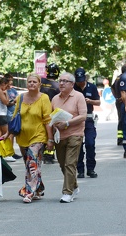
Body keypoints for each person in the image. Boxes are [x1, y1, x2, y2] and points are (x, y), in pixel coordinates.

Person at [2, 73, 54, 203]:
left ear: (39, 84)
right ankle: (38, 189)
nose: (31, 84)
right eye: (29, 82)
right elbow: (15, 117)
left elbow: (48, 119)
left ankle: (28, 192)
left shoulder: (44, 98)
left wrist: (50, 139)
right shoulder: (20, 98)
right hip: (23, 137)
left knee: (32, 162)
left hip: (39, 136)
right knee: (31, 165)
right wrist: (8, 134)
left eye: (34, 82)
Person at [51, 72, 87, 203]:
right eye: (60, 81)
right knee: (62, 164)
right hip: (59, 136)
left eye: (65, 81)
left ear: (72, 84)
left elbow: (83, 116)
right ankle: (74, 185)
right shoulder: (55, 99)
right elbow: (51, 116)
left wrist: (67, 122)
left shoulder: (79, 96)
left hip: (75, 134)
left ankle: (67, 193)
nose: (61, 83)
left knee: (69, 163)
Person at [74, 67, 101, 179]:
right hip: (76, 120)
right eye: (78, 80)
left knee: (90, 144)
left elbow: (99, 102)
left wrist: (90, 101)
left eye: (82, 79)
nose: (80, 82)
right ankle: (80, 170)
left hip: (89, 119)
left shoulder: (92, 87)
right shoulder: (73, 88)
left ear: (85, 77)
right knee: (78, 146)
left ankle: (91, 169)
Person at [40, 63, 60, 164]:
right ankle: (49, 155)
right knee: (51, 133)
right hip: (51, 113)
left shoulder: (40, 81)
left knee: (42, 132)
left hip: (39, 112)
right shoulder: (57, 86)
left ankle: (42, 152)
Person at [0, 77, 16, 161]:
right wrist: (8, 96)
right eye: (6, 86)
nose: (7, 88)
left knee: (0, 135)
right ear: (3, 84)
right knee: (7, 135)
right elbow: (6, 102)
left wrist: (6, 94)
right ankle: (7, 154)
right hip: (1, 115)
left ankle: (0, 153)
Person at [3, 73, 22, 161]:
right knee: (9, 134)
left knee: (13, 134)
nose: (11, 83)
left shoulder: (13, 90)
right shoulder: (3, 91)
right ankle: (8, 152)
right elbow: (6, 103)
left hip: (14, 113)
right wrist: (12, 102)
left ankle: (12, 152)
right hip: (7, 113)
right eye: (10, 81)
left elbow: (18, 98)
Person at [111, 65, 126, 145]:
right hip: (123, 101)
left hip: (119, 101)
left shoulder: (118, 78)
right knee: (124, 119)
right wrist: (119, 97)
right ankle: (121, 138)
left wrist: (116, 97)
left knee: (121, 119)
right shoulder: (124, 78)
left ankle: (120, 138)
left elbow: (112, 88)